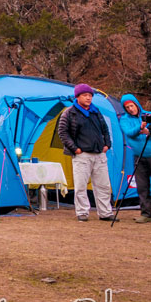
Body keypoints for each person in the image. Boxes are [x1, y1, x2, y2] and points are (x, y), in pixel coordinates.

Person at [57, 84, 113, 222]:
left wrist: (107, 144)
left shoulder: (96, 111)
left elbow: (104, 128)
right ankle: (82, 212)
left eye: (90, 95)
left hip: (99, 153)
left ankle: (105, 213)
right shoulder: (69, 113)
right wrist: (75, 149)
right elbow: (62, 132)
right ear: (78, 97)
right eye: (85, 95)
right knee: (81, 186)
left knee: (103, 185)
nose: (88, 98)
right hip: (82, 155)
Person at [120, 93, 151, 225]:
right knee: (142, 186)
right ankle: (146, 214)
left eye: (131, 105)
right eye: (127, 107)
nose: (130, 109)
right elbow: (129, 132)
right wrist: (141, 127)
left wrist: (150, 131)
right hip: (139, 156)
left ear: (136, 104)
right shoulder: (124, 119)